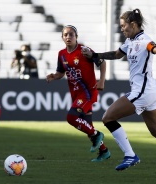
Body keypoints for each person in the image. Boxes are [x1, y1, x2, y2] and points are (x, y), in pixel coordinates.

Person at [82, 9, 156, 176]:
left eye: (123, 26)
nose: (122, 29)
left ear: (133, 25)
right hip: (150, 91)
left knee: (108, 117)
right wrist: (94, 55)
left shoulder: (144, 40)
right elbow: (115, 54)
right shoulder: (129, 42)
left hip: (143, 91)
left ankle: (130, 155)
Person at [46, 25, 111, 162]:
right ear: (62, 37)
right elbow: (61, 72)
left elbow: (102, 62)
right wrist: (54, 76)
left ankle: (98, 134)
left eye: (71, 34)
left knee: (71, 117)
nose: (68, 37)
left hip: (88, 93)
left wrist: (102, 81)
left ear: (76, 37)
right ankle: (104, 151)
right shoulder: (62, 54)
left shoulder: (84, 51)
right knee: (87, 126)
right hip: (76, 94)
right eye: (66, 35)